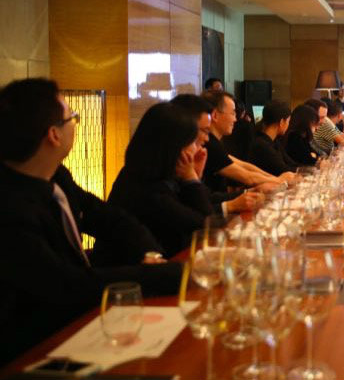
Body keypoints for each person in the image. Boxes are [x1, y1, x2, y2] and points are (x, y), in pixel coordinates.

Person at [0, 79, 180, 365]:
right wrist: (160, 276)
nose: (76, 123)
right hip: (32, 350)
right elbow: (63, 284)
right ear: (53, 135)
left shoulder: (57, 176)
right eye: (73, 117)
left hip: (79, 321)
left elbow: (112, 219)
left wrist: (151, 256)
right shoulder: (10, 208)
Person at [104, 103, 214, 258]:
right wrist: (192, 179)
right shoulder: (148, 189)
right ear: (172, 147)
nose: (196, 149)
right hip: (136, 271)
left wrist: (195, 176)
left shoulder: (154, 174)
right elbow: (207, 227)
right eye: (192, 142)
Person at [170, 94, 262, 215]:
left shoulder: (212, 145)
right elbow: (200, 220)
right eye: (203, 131)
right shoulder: (160, 184)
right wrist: (192, 178)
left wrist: (248, 193)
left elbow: (207, 197)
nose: (206, 139)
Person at [200, 90, 291, 193]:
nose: (235, 119)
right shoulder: (209, 144)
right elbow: (248, 177)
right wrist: (279, 181)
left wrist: (276, 179)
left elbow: (244, 166)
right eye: (233, 113)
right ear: (215, 116)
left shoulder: (214, 143)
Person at [249, 101, 299, 176]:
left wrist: (307, 169)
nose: (288, 125)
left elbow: (291, 163)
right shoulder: (261, 145)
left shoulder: (274, 141)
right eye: (288, 121)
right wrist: (306, 171)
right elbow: (283, 170)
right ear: (281, 122)